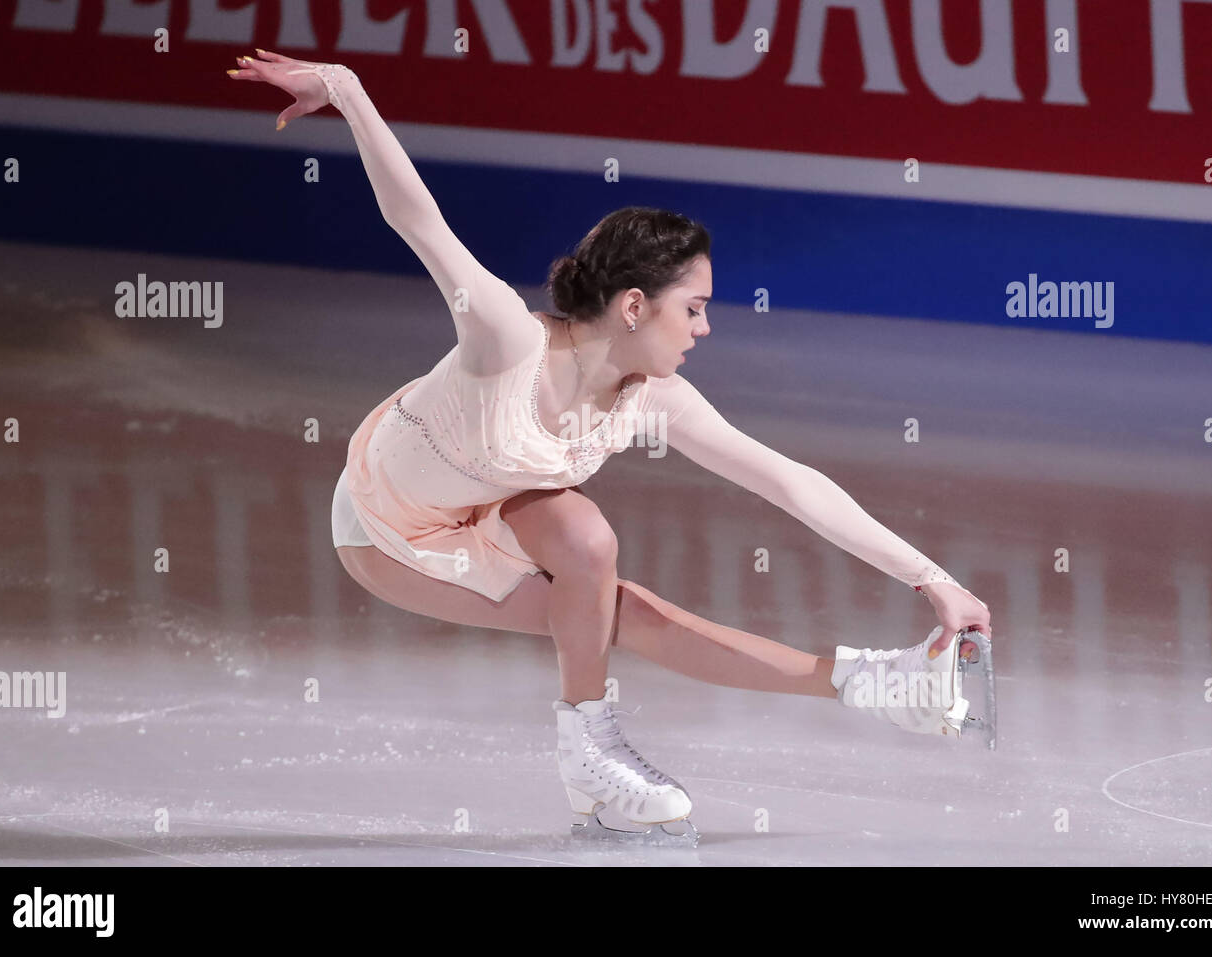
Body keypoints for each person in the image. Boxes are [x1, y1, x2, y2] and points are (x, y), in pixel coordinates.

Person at [228, 51, 992, 840]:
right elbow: (416, 219)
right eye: (692, 308)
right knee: (610, 601)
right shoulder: (502, 338)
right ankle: (590, 745)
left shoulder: (654, 400)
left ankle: (881, 683)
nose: (705, 327)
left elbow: (790, 482)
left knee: (592, 561)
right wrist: (348, 92)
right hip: (386, 528)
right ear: (634, 306)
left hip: (485, 496)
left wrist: (931, 577)